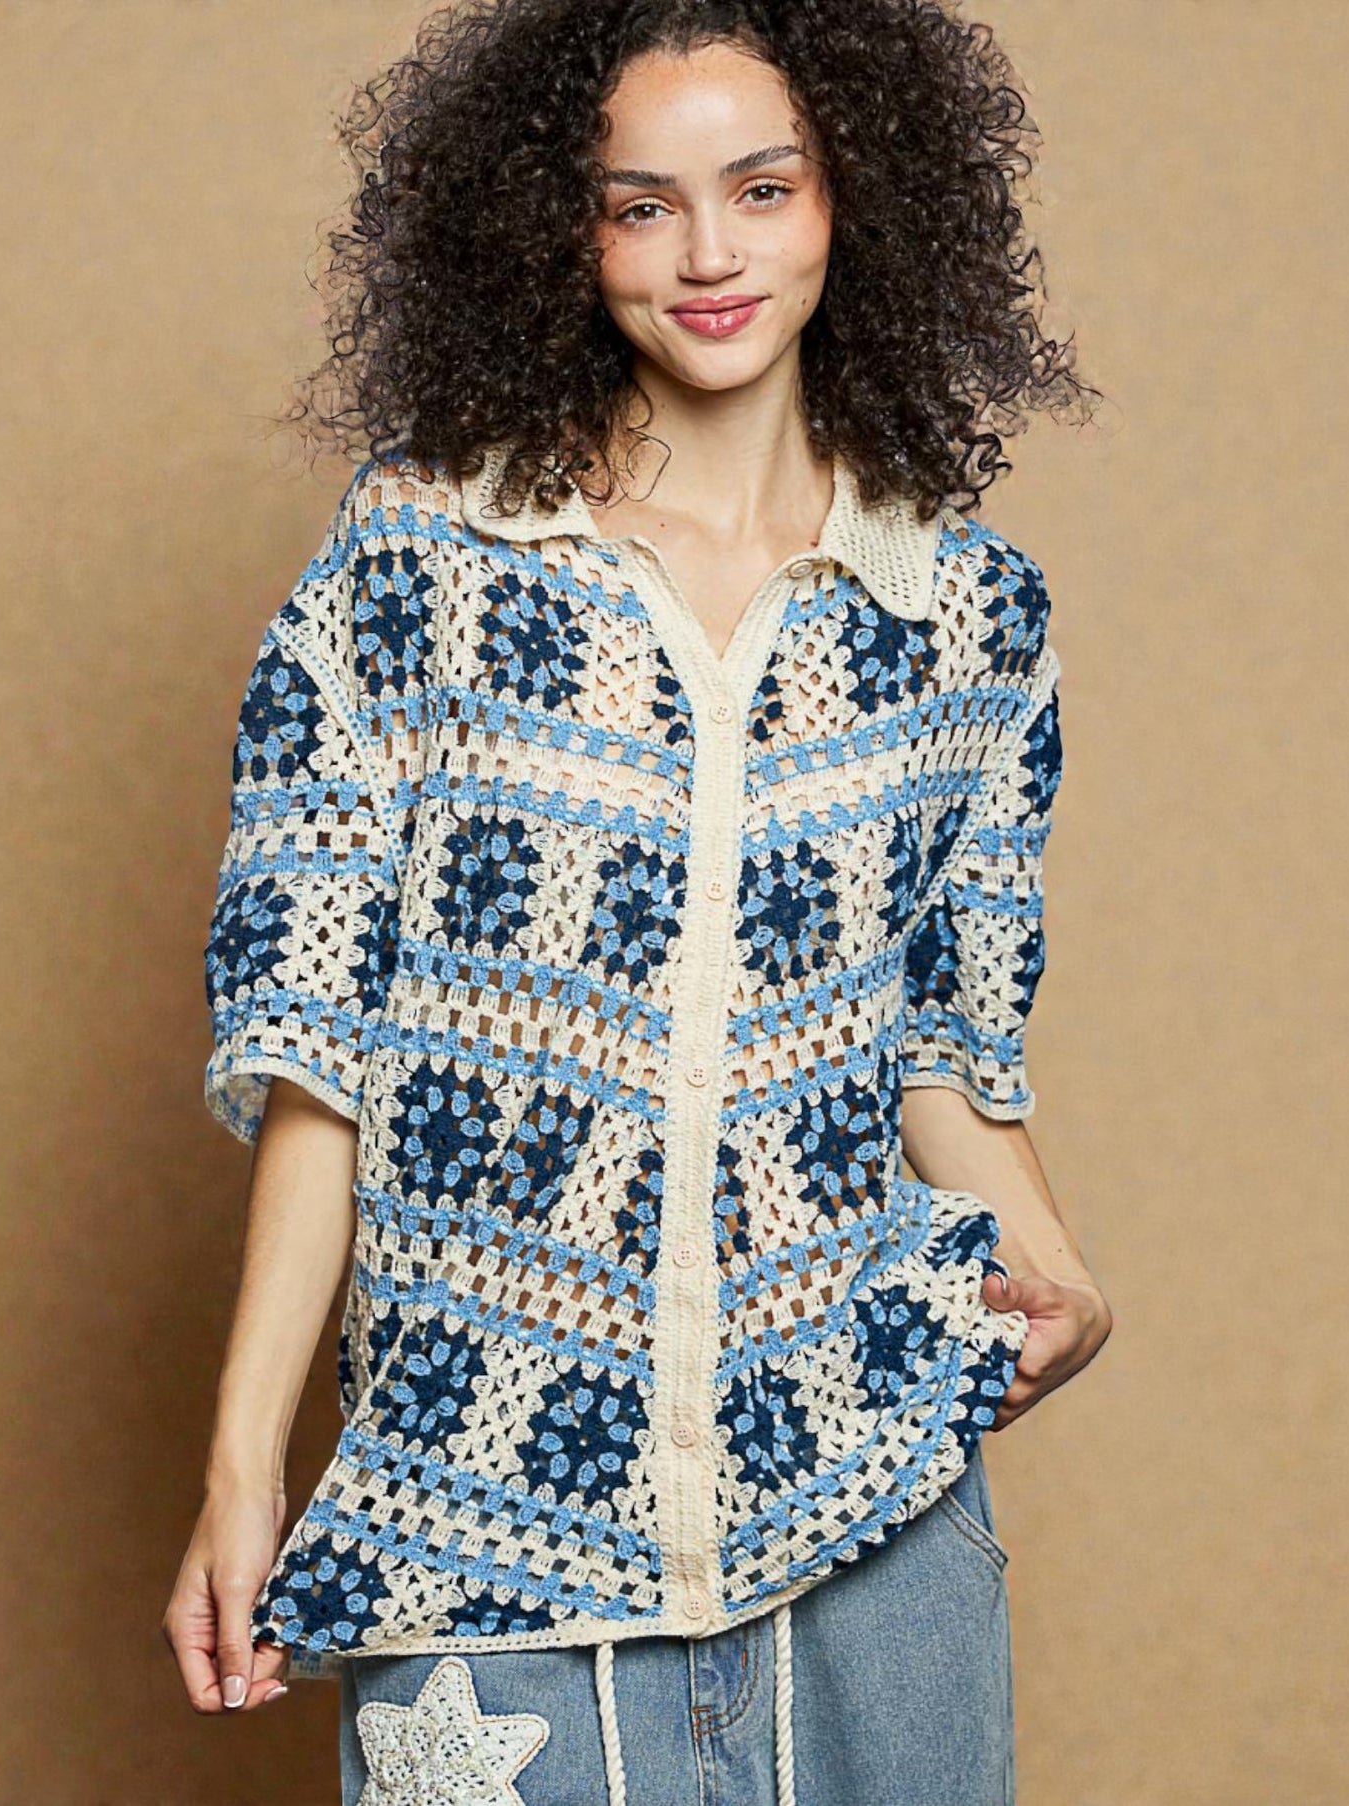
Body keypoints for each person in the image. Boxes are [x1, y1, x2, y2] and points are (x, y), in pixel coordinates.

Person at [164, 3, 1113, 1802]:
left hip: (867, 1529)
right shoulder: (419, 569)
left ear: (856, 199)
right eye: (638, 205)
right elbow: (316, 1047)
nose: (707, 256)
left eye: (761, 188)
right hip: (478, 1525)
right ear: (556, 229)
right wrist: (242, 1465)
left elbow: (934, 1038)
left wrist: (1065, 1281)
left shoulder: (967, 617)